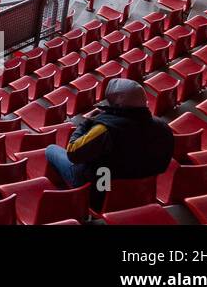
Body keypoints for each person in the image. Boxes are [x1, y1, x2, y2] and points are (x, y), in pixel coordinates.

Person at [44, 79, 174, 206]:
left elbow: (73, 153)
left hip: (102, 192)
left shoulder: (106, 130)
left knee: (51, 149)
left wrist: (86, 122)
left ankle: (69, 197)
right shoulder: (163, 128)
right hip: (140, 192)